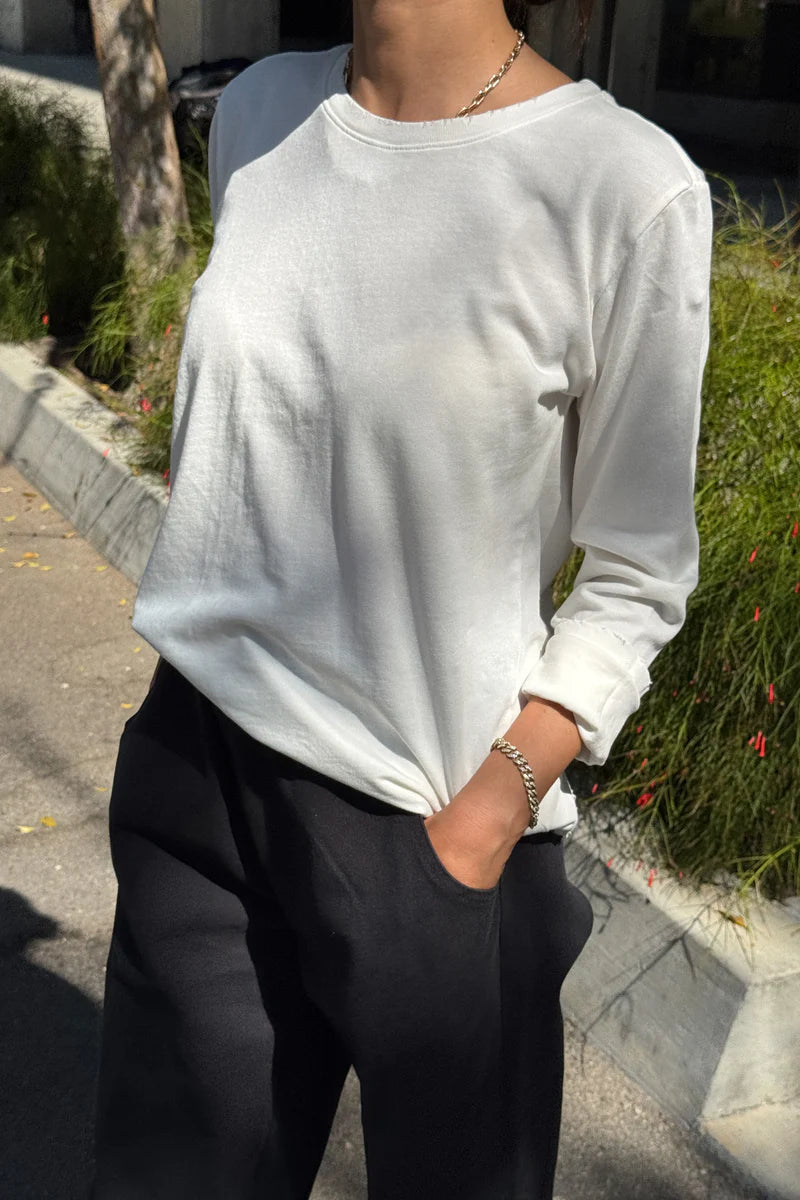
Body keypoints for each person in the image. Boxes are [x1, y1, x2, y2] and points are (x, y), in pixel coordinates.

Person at [88, 1, 714, 1196]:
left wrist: (483, 822)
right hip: (199, 770)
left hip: (429, 813)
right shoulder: (261, 113)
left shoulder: (624, 189)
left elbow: (637, 570)